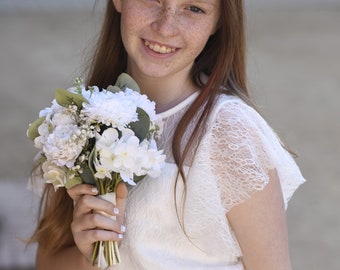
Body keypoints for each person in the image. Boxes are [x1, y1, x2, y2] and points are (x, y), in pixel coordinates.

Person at [29, 0, 305, 269]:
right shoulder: (82, 121)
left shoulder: (230, 133)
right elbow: (46, 261)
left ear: (218, 21)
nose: (165, 26)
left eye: (194, 8)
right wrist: (89, 258)